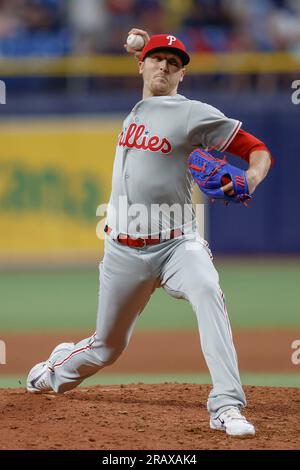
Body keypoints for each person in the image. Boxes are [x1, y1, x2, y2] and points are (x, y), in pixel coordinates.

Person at [27, 28, 272, 437]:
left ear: (182, 76)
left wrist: (251, 177)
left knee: (208, 290)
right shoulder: (140, 107)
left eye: (174, 64)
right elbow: (147, 70)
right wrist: (137, 46)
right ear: (142, 66)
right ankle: (56, 369)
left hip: (179, 244)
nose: (165, 66)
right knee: (107, 347)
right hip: (123, 250)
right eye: (158, 59)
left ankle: (226, 406)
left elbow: (257, 148)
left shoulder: (192, 112)